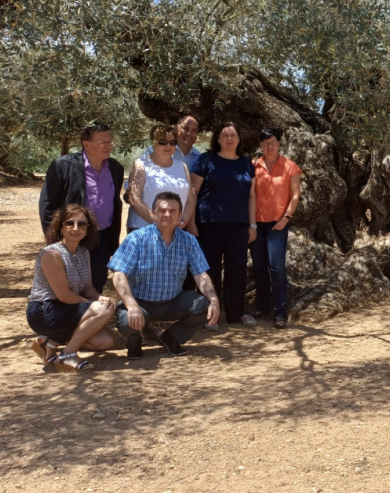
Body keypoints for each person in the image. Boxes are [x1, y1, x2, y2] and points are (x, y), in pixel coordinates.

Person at [109, 192, 220, 359]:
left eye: (172, 211)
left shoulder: (188, 241)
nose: (167, 214)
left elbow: (201, 275)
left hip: (172, 302)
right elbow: (119, 275)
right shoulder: (136, 239)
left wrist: (214, 299)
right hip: (141, 303)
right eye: (162, 210)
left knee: (205, 306)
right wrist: (131, 305)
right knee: (126, 321)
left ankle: (171, 338)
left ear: (180, 215)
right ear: (153, 213)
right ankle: (134, 342)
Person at [27, 204, 117, 372]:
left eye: (81, 224)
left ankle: (49, 343)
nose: (76, 228)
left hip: (69, 309)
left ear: (87, 230)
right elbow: (64, 296)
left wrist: (99, 298)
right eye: (69, 223)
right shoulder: (52, 254)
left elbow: (88, 287)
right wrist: (93, 306)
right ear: (60, 228)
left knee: (105, 341)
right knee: (103, 310)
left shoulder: (83, 252)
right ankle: (68, 355)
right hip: (44, 311)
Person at [39, 122, 124, 293]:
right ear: (86, 144)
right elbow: (47, 204)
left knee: (97, 280)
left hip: (102, 236)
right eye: (103, 142)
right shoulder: (63, 165)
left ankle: (93, 308)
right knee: (70, 282)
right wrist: (55, 239)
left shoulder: (116, 168)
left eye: (110, 141)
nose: (109, 146)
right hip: (73, 235)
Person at [190, 122, 257, 326]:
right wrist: (191, 222)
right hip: (209, 223)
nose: (229, 139)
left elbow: (252, 196)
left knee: (237, 269)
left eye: (233, 135)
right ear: (217, 139)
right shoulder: (206, 159)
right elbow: (193, 192)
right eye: (225, 135)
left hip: (238, 225)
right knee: (209, 269)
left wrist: (252, 225)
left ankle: (236, 313)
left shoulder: (246, 163)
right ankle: (210, 314)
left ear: (239, 139)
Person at [251, 127, 303, 328]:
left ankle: (280, 311)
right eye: (265, 143)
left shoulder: (290, 166)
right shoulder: (253, 166)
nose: (269, 146)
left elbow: (295, 195)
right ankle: (262, 306)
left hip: (278, 224)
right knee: (259, 267)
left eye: (272, 142)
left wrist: (286, 218)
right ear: (260, 145)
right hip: (256, 224)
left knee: (277, 267)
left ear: (279, 143)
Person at [127, 123, 196, 234]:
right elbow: (134, 198)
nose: (168, 146)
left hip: (176, 231)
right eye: (163, 142)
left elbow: (190, 200)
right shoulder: (141, 165)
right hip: (144, 230)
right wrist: (159, 223)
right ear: (154, 143)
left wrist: (183, 223)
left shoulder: (182, 166)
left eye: (172, 142)